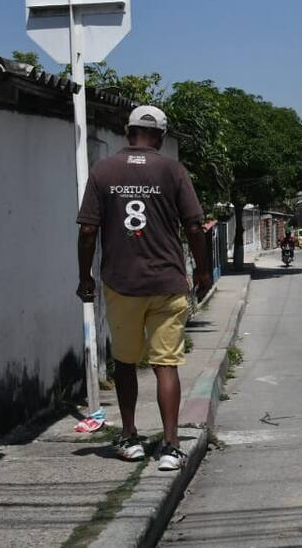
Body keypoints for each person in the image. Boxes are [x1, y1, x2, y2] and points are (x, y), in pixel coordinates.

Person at [76, 105, 212, 472]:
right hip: (167, 282)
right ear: (161, 138)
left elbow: (88, 229)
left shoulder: (103, 171)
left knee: (124, 362)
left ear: (127, 132)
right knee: (166, 363)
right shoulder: (173, 170)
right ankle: (170, 445)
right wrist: (202, 272)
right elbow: (195, 227)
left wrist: (85, 277)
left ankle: (130, 437)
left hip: (122, 283)